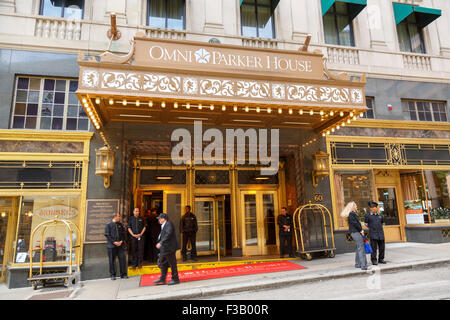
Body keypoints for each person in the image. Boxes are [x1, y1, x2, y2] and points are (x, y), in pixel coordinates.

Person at [154, 213, 180, 285]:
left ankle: (175, 279)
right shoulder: (163, 225)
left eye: (159, 218)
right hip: (165, 248)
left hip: (169, 248)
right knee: (163, 263)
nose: (158, 220)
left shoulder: (168, 224)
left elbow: (168, 234)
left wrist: (161, 242)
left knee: (172, 264)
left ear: (163, 219)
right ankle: (162, 279)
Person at [341, 201, 368, 270]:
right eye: (355, 205)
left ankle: (358, 264)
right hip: (356, 232)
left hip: (354, 232)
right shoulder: (352, 214)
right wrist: (361, 230)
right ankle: (363, 265)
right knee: (361, 248)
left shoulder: (352, 214)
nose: (356, 207)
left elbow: (355, 223)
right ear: (352, 207)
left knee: (358, 248)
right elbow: (355, 224)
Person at [104, 213, 128, 280]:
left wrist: (121, 241)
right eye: (118, 216)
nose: (119, 217)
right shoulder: (108, 225)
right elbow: (107, 235)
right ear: (115, 217)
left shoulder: (120, 225)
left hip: (120, 245)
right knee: (112, 260)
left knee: (122, 259)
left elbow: (123, 234)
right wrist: (114, 242)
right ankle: (112, 275)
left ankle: (123, 274)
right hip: (111, 246)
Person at [365, 201, 386, 265]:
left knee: (382, 248)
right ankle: (374, 260)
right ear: (370, 208)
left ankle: (381, 259)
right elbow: (366, 224)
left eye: (374, 207)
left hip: (381, 234)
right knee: (373, 248)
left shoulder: (380, 215)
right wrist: (372, 228)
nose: (373, 208)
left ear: (376, 208)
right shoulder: (367, 216)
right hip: (373, 234)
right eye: (372, 207)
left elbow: (383, 223)